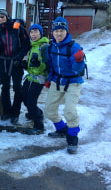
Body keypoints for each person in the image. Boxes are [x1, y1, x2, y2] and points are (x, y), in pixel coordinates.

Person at [44, 17, 86, 154]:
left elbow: (77, 69)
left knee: (69, 111)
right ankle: (62, 129)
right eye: (56, 31)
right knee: (49, 110)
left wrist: (79, 60)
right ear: (53, 32)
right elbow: (51, 66)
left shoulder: (73, 47)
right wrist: (49, 79)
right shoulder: (50, 47)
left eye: (62, 30)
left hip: (73, 82)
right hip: (57, 81)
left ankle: (72, 138)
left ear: (66, 31)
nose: (59, 34)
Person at [0, 8, 30, 124]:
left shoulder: (17, 28)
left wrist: (19, 56)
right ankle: (7, 111)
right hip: (3, 62)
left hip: (16, 62)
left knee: (17, 88)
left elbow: (27, 43)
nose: (0, 19)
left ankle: (15, 113)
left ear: (7, 16)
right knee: (5, 88)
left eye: (2, 16)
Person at [21, 24, 49, 135]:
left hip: (39, 78)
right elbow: (31, 62)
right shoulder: (33, 45)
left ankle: (39, 126)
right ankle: (37, 113)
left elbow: (47, 64)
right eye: (31, 32)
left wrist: (39, 65)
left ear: (40, 33)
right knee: (23, 97)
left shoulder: (44, 46)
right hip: (30, 76)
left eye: (36, 32)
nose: (33, 34)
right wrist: (25, 64)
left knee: (31, 101)